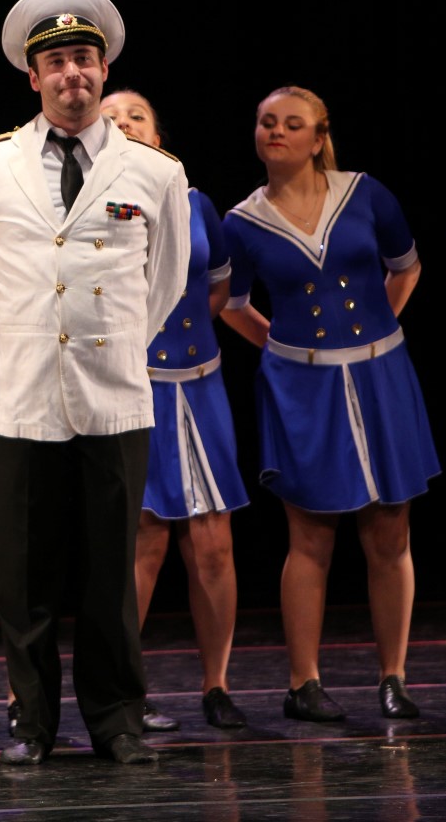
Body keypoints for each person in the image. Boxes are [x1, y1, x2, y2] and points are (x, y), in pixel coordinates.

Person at [0, 0, 191, 766]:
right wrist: (24, 346)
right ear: (34, 77)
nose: (71, 74)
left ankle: (116, 719)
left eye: (83, 58)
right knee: (23, 577)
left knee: (110, 574)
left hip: (114, 394)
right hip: (23, 396)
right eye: (55, 62)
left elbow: (166, 282)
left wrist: (109, 346)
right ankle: (33, 723)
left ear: (104, 67)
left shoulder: (154, 171)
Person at [220, 85, 439, 722]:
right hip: (303, 389)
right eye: (266, 122)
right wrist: (286, 351)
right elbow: (232, 306)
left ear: (320, 138)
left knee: (390, 531)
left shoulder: (365, 194)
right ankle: (303, 684)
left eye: (293, 124)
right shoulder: (242, 222)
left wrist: (376, 334)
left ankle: (393, 677)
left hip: (381, 377)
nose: (276, 132)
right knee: (310, 536)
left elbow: (406, 267)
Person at [99, 92, 248, 732]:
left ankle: (217, 684)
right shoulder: (91, 208)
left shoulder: (194, 202)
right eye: (110, 118)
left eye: (136, 115)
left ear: (158, 137)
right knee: (145, 541)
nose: (124, 123)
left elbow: (219, 288)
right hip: (135, 389)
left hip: (202, 385)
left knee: (213, 543)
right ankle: (124, 690)